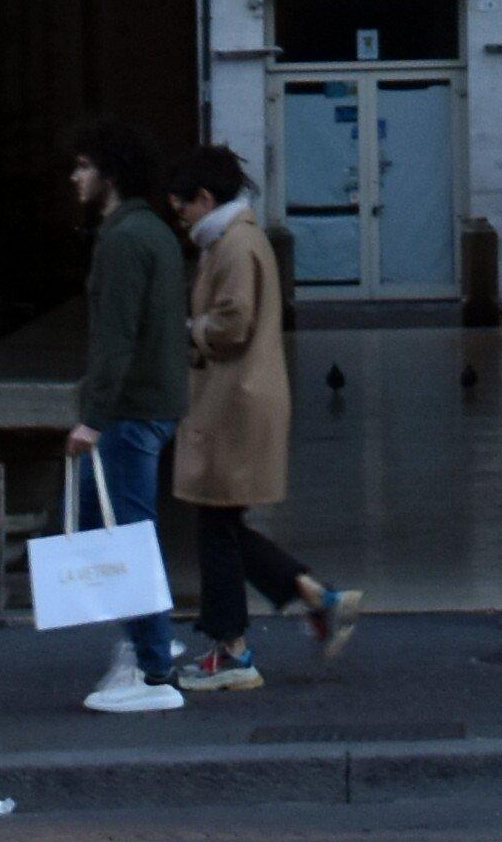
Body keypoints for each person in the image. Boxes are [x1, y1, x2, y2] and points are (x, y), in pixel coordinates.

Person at [165, 144, 351, 688]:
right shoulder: (232, 240)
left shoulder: (234, 244)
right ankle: (314, 598)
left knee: (215, 524)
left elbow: (232, 323)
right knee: (219, 522)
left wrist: (191, 330)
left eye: (183, 208)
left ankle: (233, 651)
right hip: (236, 397)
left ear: (205, 198)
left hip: (234, 399)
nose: (181, 219)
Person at [58, 119, 194, 716]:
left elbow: (117, 339)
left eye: (84, 165)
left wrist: (93, 418)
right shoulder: (154, 232)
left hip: (130, 412)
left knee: (124, 535)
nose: (75, 176)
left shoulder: (121, 240)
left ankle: (153, 665)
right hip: (152, 404)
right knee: (119, 527)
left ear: (109, 174)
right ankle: (146, 643)